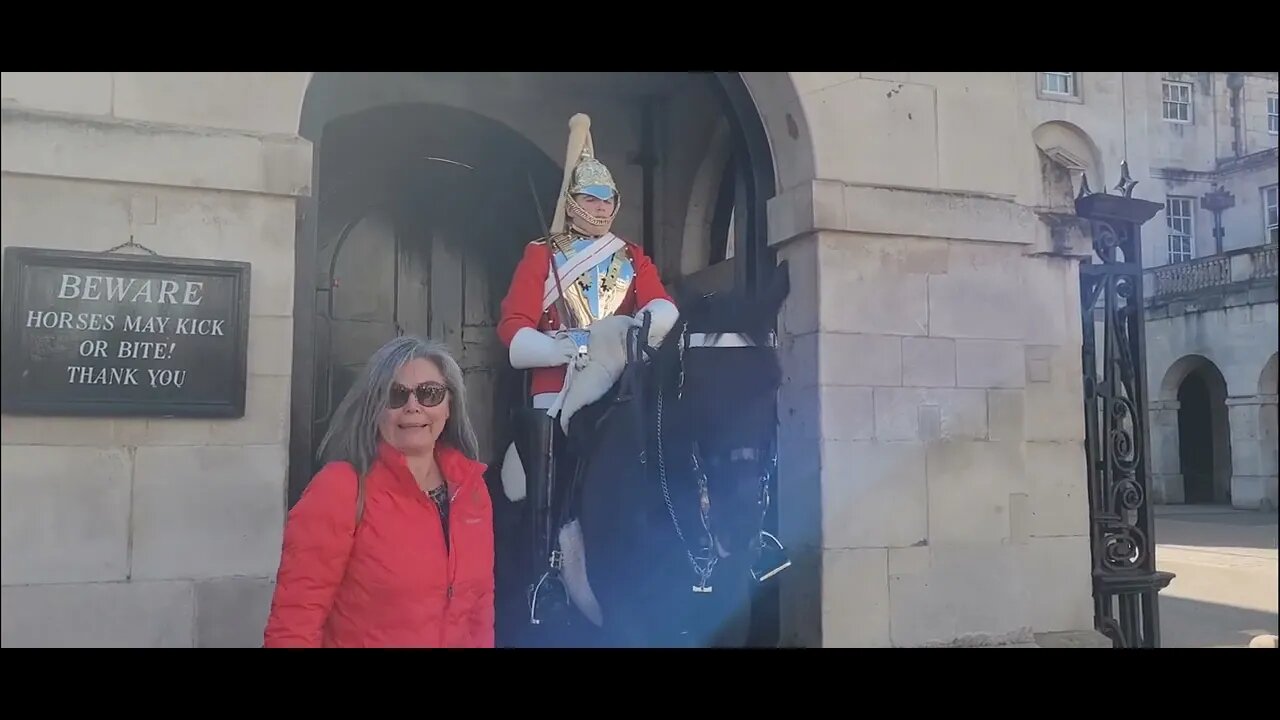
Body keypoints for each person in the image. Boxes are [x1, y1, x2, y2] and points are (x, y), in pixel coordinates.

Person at [494, 113, 678, 629]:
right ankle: (544, 573)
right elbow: (513, 328)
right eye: (591, 199)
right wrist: (561, 349)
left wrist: (639, 327)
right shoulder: (540, 256)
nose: (600, 208)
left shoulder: (631, 256)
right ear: (572, 203)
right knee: (542, 469)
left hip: (618, 381)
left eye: (606, 200)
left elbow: (663, 306)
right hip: (557, 384)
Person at [262, 335, 494, 648]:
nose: (413, 407)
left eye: (429, 393)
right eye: (396, 395)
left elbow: (479, 610)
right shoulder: (340, 489)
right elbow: (295, 622)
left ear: (449, 404)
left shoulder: (471, 489)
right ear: (375, 408)